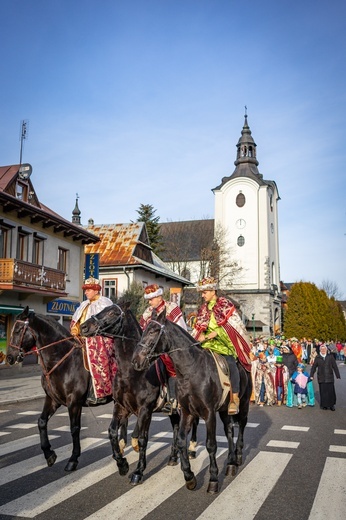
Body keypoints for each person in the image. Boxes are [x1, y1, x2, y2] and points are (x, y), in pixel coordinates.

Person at [191, 277, 252, 414]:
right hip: (206, 345)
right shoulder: (203, 309)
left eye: (204, 292)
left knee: (231, 364)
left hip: (223, 344)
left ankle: (234, 398)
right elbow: (199, 328)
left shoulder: (225, 305)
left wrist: (209, 335)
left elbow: (230, 328)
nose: (202, 295)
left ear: (213, 291)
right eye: (202, 292)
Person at [140, 283, 187, 414]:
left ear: (159, 297)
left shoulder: (171, 308)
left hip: (170, 348)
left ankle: (173, 399)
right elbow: (143, 332)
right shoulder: (148, 313)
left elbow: (181, 329)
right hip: (153, 349)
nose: (149, 302)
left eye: (152, 299)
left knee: (169, 364)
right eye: (148, 299)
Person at [71, 277, 117, 406]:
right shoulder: (84, 305)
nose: (86, 293)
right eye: (85, 290)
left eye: (88, 290)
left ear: (96, 290)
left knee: (98, 358)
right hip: (82, 339)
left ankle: (101, 392)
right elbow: (76, 321)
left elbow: (107, 324)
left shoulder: (105, 303)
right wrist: (74, 330)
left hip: (100, 339)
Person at [309, 343, 341, 411]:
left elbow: (334, 366)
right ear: (320, 350)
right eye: (321, 349)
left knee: (331, 392)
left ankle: (331, 405)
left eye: (324, 349)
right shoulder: (317, 358)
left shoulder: (330, 357)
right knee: (323, 392)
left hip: (329, 377)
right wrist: (311, 375)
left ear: (326, 350)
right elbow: (314, 367)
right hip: (321, 377)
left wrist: (337, 375)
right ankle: (324, 405)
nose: (323, 350)